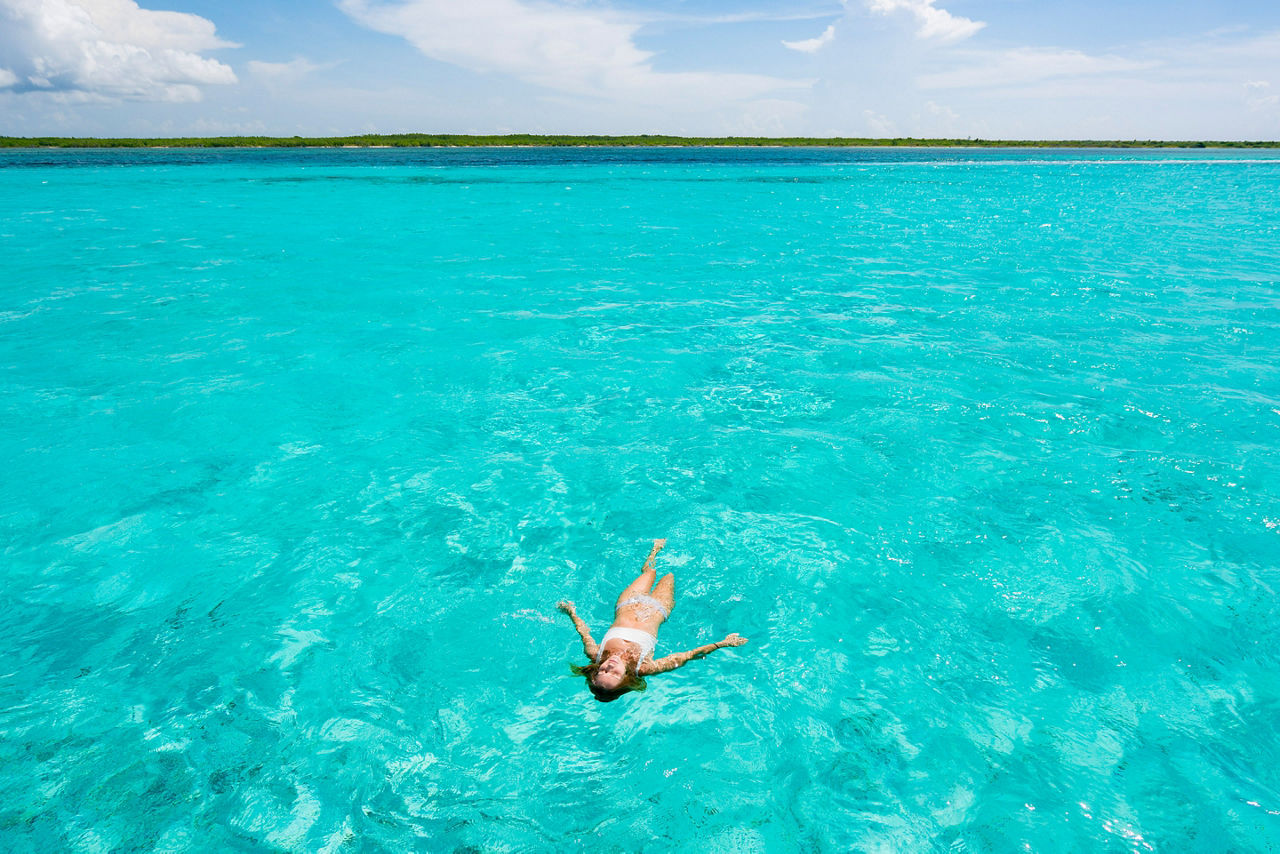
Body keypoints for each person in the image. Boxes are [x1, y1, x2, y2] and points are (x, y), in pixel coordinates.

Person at [558, 539, 747, 702]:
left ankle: (654, 551)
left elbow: (584, 632)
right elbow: (686, 656)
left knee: (650, 573)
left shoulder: (596, 654)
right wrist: (722, 643)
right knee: (669, 576)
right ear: (626, 678)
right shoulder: (645, 667)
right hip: (657, 610)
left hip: (628, 603)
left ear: (596, 670)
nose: (610, 667)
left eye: (603, 671)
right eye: (615, 674)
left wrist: (571, 612)